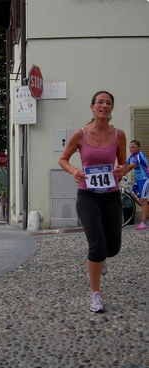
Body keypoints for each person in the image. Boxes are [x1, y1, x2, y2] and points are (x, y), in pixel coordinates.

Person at [59, 91, 127, 313]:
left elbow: (124, 165)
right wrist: (74, 171)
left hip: (111, 195)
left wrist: (121, 169)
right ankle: (95, 293)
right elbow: (63, 159)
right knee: (97, 246)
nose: (104, 106)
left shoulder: (119, 135)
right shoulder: (81, 134)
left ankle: (101, 260)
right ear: (92, 107)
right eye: (100, 102)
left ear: (111, 109)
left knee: (113, 247)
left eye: (108, 103)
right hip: (87, 195)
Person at [126, 140, 149, 230]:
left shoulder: (139, 156)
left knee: (143, 200)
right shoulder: (131, 156)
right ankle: (146, 210)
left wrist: (119, 176)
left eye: (133, 147)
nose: (131, 149)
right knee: (132, 195)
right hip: (138, 180)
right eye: (130, 147)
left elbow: (129, 167)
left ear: (138, 148)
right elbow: (125, 165)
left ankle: (144, 222)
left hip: (145, 179)